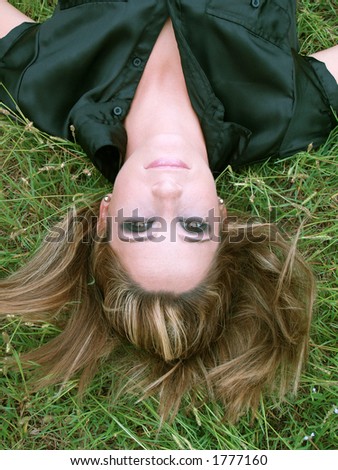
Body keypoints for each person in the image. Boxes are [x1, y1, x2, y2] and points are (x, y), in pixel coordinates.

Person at [0, 0, 337, 422]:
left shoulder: (44, 87)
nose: (166, 192)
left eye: (139, 225)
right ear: (222, 216)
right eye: (194, 226)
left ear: (105, 216)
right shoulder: (285, 115)